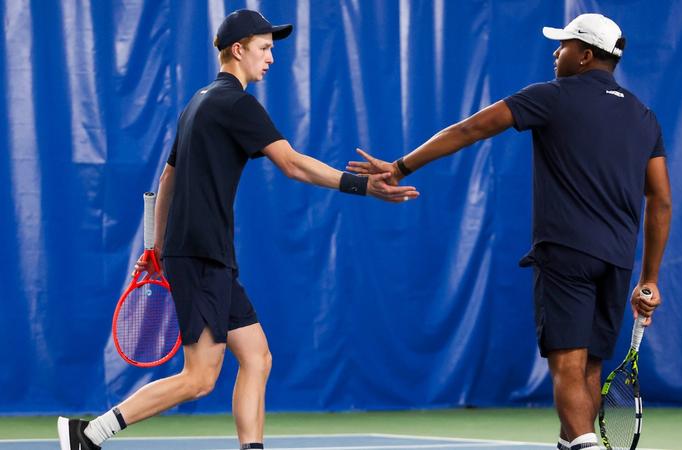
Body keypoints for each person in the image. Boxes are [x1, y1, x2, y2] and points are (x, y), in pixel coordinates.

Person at [57, 9, 419, 450]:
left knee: (257, 356)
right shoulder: (235, 102)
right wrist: (364, 186)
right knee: (199, 378)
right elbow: (293, 163)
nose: (271, 58)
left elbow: (167, 179)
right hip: (202, 255)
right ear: (238, 49)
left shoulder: (198, 102)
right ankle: (90, 433)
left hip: (204, 254)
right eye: (264, 49)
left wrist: (156, 246)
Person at [347, 13, 671, 450]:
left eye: (565, 45)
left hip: (566, 252)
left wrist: (401, 165)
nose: (556, 53)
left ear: (585, 55)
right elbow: (662, 200)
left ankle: (585, 444)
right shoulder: (644, 116)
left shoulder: (551, 96)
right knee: (591, 367)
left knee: (567, 366)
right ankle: (573, 442)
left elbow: (470, 129)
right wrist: (648, 278)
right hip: (616, 261)